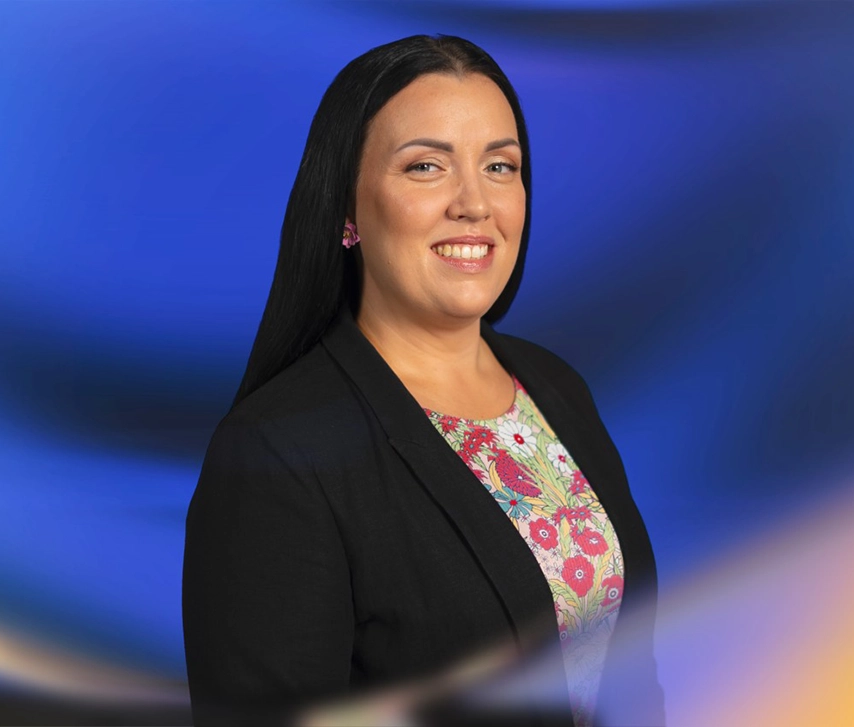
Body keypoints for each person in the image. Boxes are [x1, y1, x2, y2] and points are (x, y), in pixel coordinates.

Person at [182, 34, 666, 727]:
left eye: (499, 166)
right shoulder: (276, 455)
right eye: (425, 167)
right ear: (347, 210)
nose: (474, 203)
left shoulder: (555, 387)